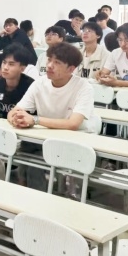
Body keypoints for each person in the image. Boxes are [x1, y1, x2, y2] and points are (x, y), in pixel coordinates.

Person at [8, 42, 95, 191]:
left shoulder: (83, 87)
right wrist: (15, 119)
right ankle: (26, 191)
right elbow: (14, 111)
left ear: (71, 69)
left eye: (57, 62)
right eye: (49, 60)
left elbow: (73, 124)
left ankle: (37, 196)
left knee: (35, 163)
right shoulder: (40, 83)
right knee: (24, 149)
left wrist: (35, 120)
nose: (49, 65)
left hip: (75, 140)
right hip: (46, 137)